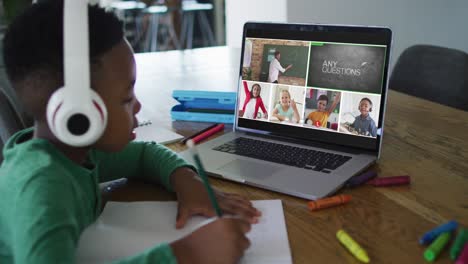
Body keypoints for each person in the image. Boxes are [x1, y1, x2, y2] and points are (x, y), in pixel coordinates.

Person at [0, 2, 260, 264]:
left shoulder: (75, 153)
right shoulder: (42, 188)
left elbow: (144, 155)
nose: (137, 105)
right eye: (126, 98)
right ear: (78, 114)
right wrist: (186, 254)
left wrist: (187, 182)